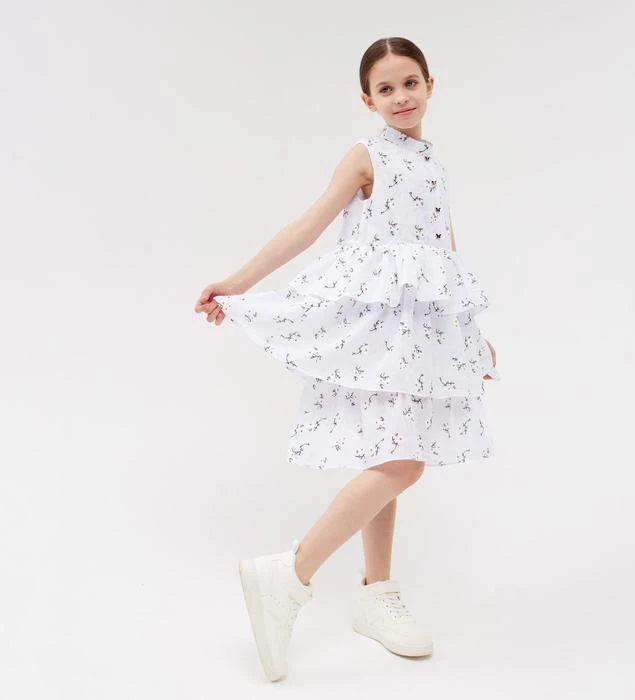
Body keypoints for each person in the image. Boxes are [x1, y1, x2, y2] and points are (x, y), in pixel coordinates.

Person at [194, 36, 500, 682]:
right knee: (402, 462)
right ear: (368, 100)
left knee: (392, 450)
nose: (401, 96)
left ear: (431, 86)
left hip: (421, 333)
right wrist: (238, 282)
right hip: (377, 329)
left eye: (410, 83)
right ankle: (291, 573)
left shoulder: (434, 165)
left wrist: (468, 333)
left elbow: (444, 256)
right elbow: (308, 225)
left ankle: (375, 593)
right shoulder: (367, 156)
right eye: (386, 88)